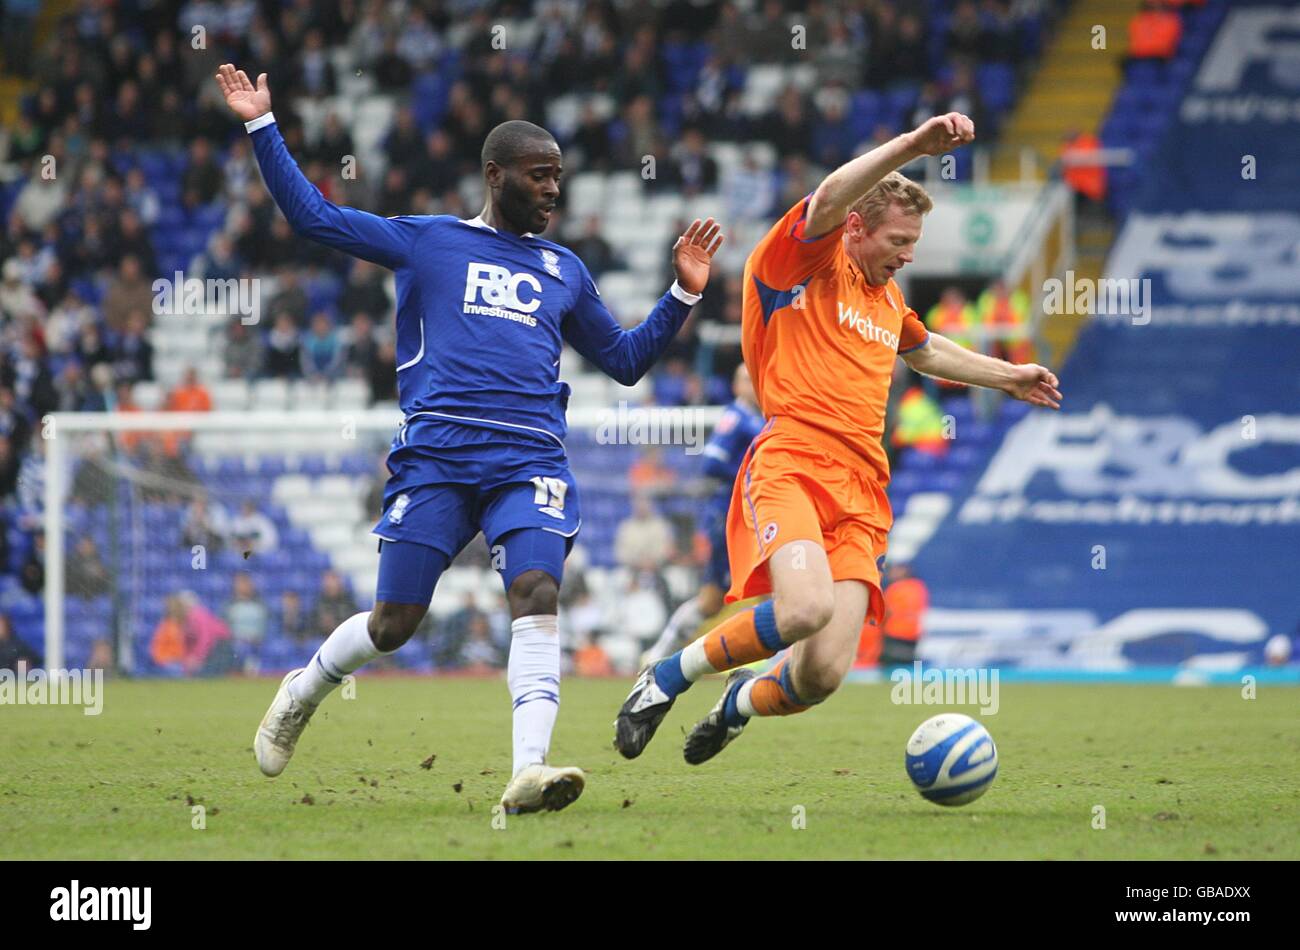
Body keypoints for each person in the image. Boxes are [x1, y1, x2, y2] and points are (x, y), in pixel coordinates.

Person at [216, 63, 723, 814]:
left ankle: (529, 770)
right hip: (438, 457)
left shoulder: (565, 269)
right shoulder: (430, 242)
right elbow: (315, 219)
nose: (554, 189)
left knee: (537, 591)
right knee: (394, 624)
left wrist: (683, 292)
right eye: (539, 176)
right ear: (496, 176)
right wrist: (262, 124)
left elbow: (622, 362)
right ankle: (306, 688)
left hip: (529, 460)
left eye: (559, 177)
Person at [614, 112, 1061, 764]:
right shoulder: (802, 261)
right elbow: (826, 197)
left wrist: (1009, 375)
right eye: (900, 239)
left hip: (862, 489)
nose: (910, 253)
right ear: (857, 226)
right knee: (804, 610)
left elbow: (927, 351)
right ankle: (664, 677)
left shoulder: (886, 300)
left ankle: (736, 702)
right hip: (793, 461)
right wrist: (912, 145)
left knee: (821, 675)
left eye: (915, 241)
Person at [642, 364, 764, 665]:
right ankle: (661, 654)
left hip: (753, 516)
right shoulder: (736, 418)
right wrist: (749, 475)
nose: (753, 385)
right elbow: (711, 462)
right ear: (736, 386)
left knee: (769, 587)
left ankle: (661, 653)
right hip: (730, 517)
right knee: (712, 598)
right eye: (746, 380)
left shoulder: (757, 419)